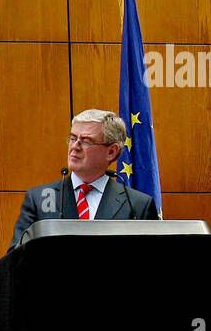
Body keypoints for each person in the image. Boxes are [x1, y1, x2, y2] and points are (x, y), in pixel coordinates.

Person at [8, 108, 159, 251]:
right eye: (73, 138)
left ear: (111, 152)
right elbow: (15, 259)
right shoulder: (39, 199)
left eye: (86, 141)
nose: (75, 147)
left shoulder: (137, 205)